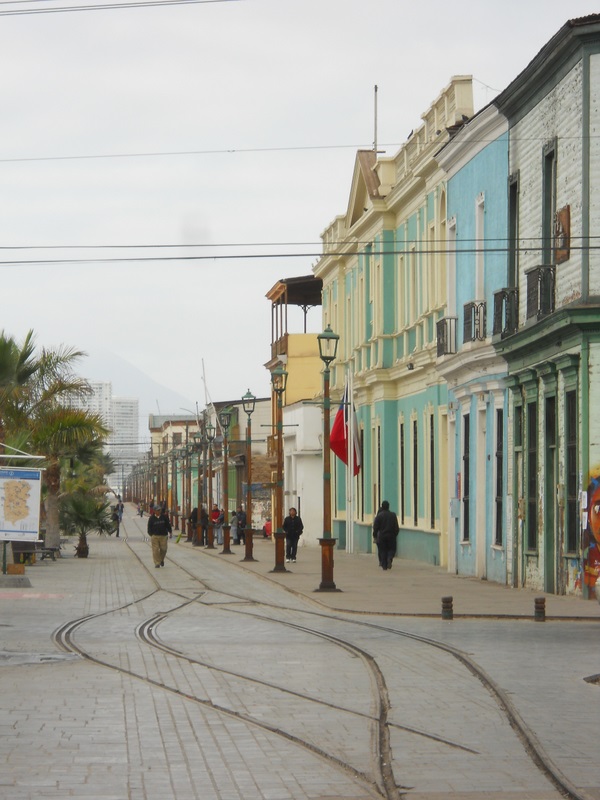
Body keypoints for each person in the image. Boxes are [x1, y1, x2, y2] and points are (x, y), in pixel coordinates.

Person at [372, 500, 400, 571]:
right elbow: (396, 527)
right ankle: (389, 558)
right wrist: (395, 534)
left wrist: (375, 535)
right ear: (388, 507)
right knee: (392, 549)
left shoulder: (379, 516)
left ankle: (384, 565)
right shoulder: (393, 515)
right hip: (391, 536)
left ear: (382, 506)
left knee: (383, 550)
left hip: (382, 536)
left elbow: (375, 527)